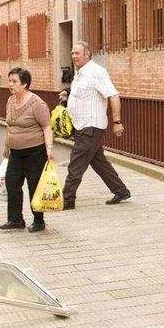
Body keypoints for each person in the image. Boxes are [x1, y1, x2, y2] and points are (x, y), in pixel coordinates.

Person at [58, 41, 129, 209]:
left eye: (77, 53)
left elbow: (113, 95)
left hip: (91, 126)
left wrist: (117, 122)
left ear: (87, 54)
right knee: (98, 162)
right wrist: (67, 95)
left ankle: (67, 199)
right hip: (82, 125)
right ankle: (121, 190)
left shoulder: (96, 72)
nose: (74, 56)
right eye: (72, 53)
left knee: (76, 163)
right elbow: (83, 93)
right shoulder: (80, 73)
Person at [0, 67, 54, 233]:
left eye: (14, 81)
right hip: (15, 153)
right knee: (12, 183)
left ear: (24, 84)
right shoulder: (10, 101)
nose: (10, 84)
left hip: (34, 152)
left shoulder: (37, 104)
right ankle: (15, 220)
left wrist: (49, 149)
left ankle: (39, 221)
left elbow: (46, 126)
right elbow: (9, 125)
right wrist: (6, 144)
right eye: (9, 81)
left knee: (34, 186)